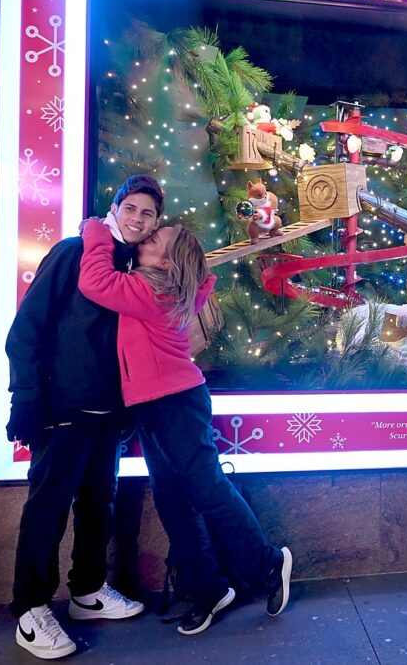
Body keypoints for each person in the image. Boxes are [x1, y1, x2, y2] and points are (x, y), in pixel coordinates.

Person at [78, 217, 293, 635]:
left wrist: (96, 231)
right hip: (154, 405)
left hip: (175, 401)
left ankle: (268, 564)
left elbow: (94, 282)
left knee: (206, 489)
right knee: (172, 498)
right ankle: (208, 588)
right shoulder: (162, 287)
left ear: (169, 261)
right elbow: (203, 281)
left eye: (157, 237)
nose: (147, 235)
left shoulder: (152, 289)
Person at [5, 176, 162, 659]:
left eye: (148, 213)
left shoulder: (138, 269)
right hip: (64, 407)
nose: (137, 219)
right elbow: (28, 326)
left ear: (157, 222)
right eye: (130, 208)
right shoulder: (74, 251)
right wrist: (26, 396)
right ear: (115, 208)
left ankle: (88, 592)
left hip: (108, 412)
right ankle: (30, 609)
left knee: (99, 504)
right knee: (47, 506)